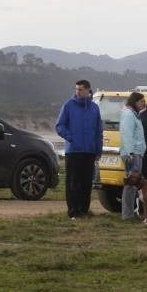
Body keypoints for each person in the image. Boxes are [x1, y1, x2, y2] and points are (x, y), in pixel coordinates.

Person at [55, 79, 103, 219]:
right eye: (76, 89)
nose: (78, 92)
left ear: (88, 90)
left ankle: (84, 210)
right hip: (73, 150)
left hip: (89, 151)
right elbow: (59, 126)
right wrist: (71, 137)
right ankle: (73, 211)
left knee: (86, 182)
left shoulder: (94, 108)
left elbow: (99, 130)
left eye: (81, 89)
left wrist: (98, 150)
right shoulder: (68, 105)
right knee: (72, 182)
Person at [119, 92, 147, 221]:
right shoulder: (129, 115)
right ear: (135, 102)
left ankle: (130, 213)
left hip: (136, 152)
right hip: (133, 153)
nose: (144, 104)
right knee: (131, 184)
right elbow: (127, 134)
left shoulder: (134, 115)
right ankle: (127, 215)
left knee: (133, 184)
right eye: (141, 101)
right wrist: (129, 152)